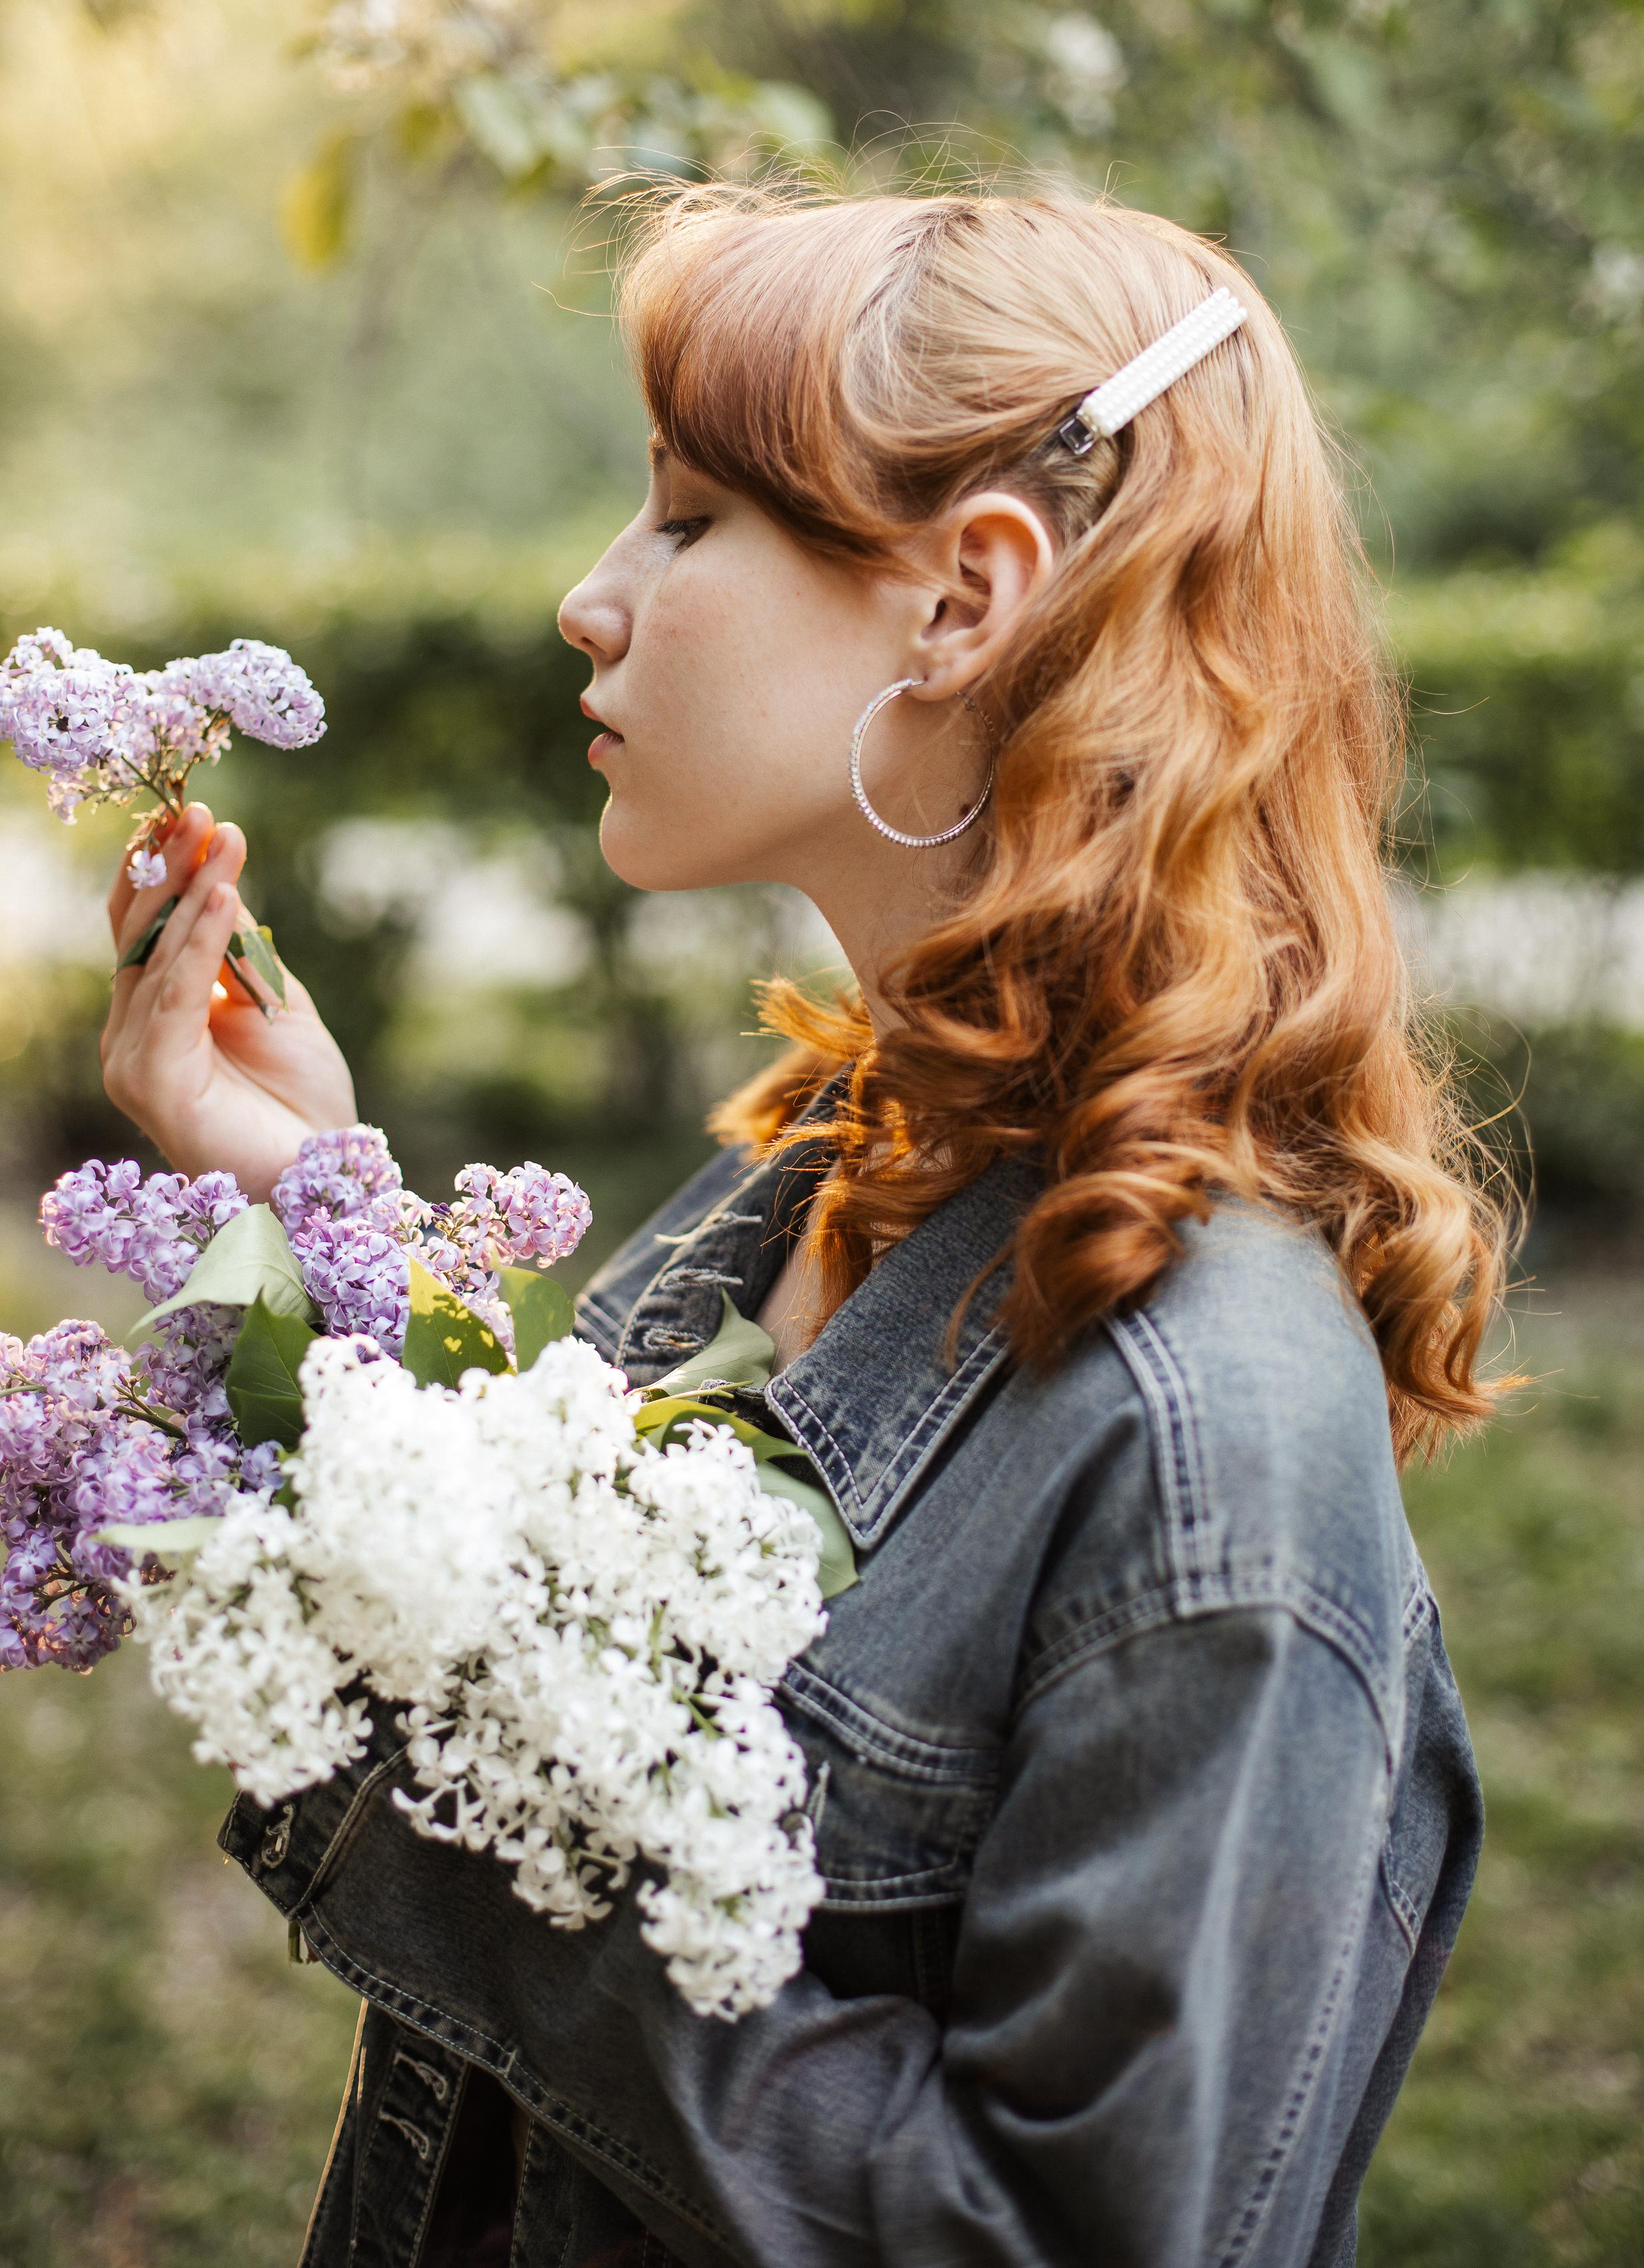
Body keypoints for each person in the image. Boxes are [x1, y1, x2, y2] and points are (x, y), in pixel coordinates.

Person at [99, 181, 1506, 2268]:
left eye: (687, 519)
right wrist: (310, 1201)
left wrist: (451, 1830)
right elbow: (544, 1633)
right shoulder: (826, 1163)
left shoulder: (1206, 1433)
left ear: (962, 600)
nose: (590, 599)